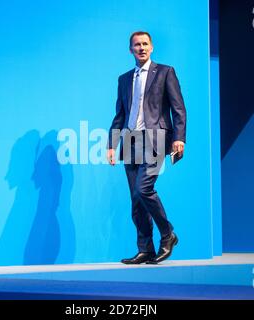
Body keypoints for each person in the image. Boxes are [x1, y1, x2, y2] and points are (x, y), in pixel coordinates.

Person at [107, 31, 187, 264]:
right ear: (130, 49)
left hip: (156, 137)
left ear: (151, 47)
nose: (141, 48)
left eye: (145, 44)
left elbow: (178, 108)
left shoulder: (165, 72)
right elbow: (119, 115)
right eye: (136, 45)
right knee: (136, 199)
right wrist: (112, 144)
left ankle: (167, 234)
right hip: (131, 140)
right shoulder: (123, 79)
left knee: (144, 189)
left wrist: (179, 138)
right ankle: (146, 249)